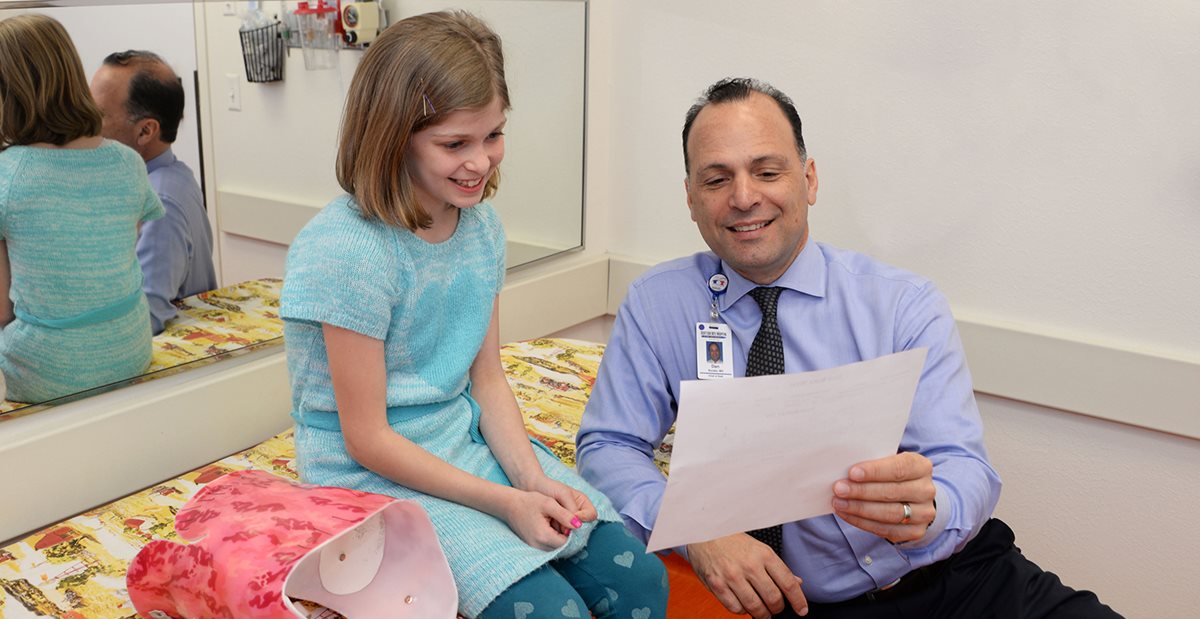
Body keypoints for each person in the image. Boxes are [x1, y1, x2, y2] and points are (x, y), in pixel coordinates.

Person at [577, 78, 1122, 619]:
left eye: (767, 172)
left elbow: (964, 464)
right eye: (717, 180)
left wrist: (930, 508)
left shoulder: (902, 304)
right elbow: (608, 445)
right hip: (803, 604)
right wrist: (695, 529)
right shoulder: (658, 305)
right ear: (691, 199)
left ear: (809, 179)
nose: (743, 198)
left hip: (956, 580)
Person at [279, 11, 667, 619]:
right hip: (367, 474)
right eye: (455, 144)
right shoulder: (347, 251)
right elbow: (367, 438)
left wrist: (531, 480)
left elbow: (486, 380)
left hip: (458, 440)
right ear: (392, 137)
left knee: (641, 580)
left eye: (494, 135)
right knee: (549, 611)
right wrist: (504, 502)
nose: (481, 162)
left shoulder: (481, 228)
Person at [0, 14, 163, 403]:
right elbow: (110, 265)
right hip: (130, 351)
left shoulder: (9, 174)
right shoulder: (127, 162)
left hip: (46, 372)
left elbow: (2, 311)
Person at [90, 50, 216, 335]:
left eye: (97, 114)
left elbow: (147, 317)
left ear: (146, 131)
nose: (85, 124)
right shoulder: (174, 176)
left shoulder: (160, 202)